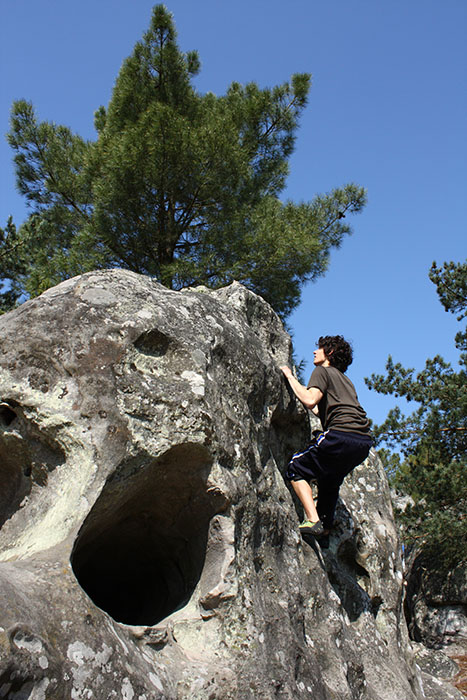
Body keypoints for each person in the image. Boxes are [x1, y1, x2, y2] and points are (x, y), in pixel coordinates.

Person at [280, 335, 373, 540]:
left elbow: (310, 400)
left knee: (296, 467)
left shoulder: (322, 370)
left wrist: (289, 376)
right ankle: (325, 530)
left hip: (341, 435)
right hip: (362, 442)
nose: (315, 351)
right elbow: (322, 412)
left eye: (319, 348)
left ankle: (313, 520)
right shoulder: (346, 381)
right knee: (329, 480)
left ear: (329, 353)